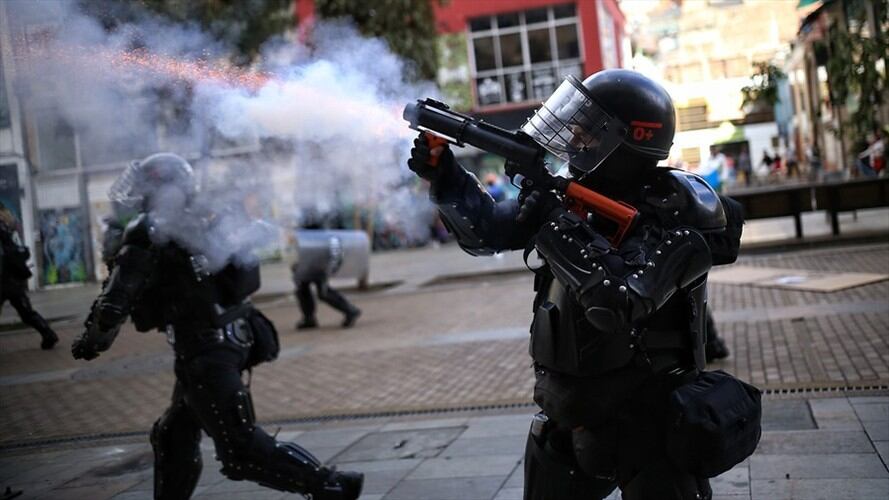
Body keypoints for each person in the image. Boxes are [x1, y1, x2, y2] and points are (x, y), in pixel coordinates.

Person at [409, 69, 758, 500]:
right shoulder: (573, 196)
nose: (575, 140)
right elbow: (486, 234)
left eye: (588, 132)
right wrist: (445, 175)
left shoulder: (680, 210)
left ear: (630, 139)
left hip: (650, 423)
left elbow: (618, 301)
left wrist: (557, 224)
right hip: (567, 411)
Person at [71, 153, 363, 500]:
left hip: (204, 350)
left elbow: (114, 303)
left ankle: (331, 485)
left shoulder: (150, 230)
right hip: (230, 336)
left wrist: (91, 342)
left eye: (143, 185)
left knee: (240, 450)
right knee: (174, 435)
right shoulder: (201, 217)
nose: (134, 192)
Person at [0, 203, 58, 350]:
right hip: (13, 280)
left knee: (26, 312)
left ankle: (49, 335)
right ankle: (48, 334)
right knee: (27, 312)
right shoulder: (8, 227)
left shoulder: (4, 229)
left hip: (5, 279)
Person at [291, 214, 361, 330]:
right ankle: (309, 318)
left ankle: (350, 310)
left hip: (317, 250)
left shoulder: (314, 211)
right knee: (304, 287)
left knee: (321, 290)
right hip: (315, 248)